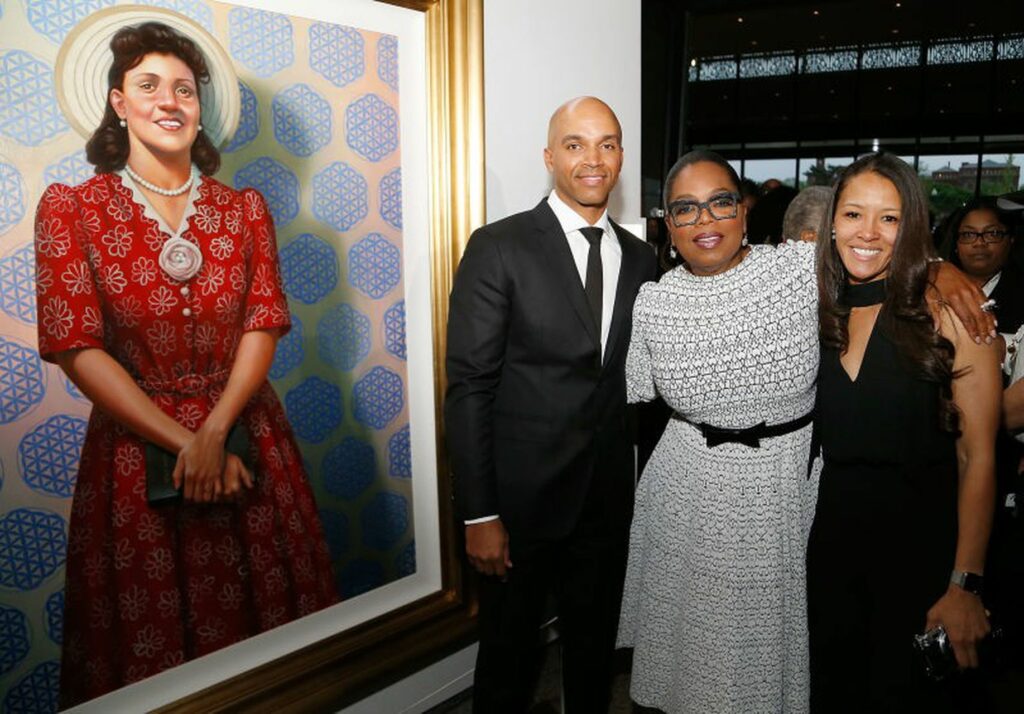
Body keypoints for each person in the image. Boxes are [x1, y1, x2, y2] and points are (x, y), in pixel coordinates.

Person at [617, 150, 993, 714]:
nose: (705, 219)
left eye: (721, 202)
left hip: (809, 506)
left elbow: (976, 455)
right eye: (685, 209)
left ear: (745, 212)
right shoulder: (660, 301)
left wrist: (944, 268)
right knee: (727, 655)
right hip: (720, 504)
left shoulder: (800, 274)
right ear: (666, 224)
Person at [35, 15, 336, 706]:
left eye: (185, 88)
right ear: (117, 101)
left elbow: (263, 323)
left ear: (201, 107)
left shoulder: (244, 209)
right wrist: (186, 445)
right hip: (134, 455)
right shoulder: (72, 210)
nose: (170, 101)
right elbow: (77, 347)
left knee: (272, 646)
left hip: (248, 438)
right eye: (148, 85)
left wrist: (215, 431)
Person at [444, 96, 657, 713]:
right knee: (509, 659)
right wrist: (478, 512)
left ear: (620, 155)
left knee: (592, 657)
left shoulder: (643, 258)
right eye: (575, 144)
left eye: (608, 144)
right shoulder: (499, 246)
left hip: (607, 500)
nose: (594, 159)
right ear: (549, 157)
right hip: (519, 505)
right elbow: (470, 387)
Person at [807, 153, 1001, 711]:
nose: (867, 233)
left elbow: (978, 459)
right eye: (852, 215)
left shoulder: (955, 315)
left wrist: (966, 583)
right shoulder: (819, 308)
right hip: (831, 555)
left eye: (889, 219)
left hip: (921, 555)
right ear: (833, 223)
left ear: (912, 224)